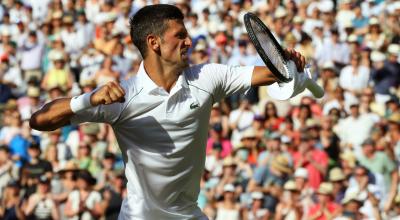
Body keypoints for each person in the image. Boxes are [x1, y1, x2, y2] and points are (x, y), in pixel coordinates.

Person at [30, 4, 306, 219]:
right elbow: (40, 120)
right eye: (180, 36)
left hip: (188, 215)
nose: (189, 42)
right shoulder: (122, 98)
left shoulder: (208, 76)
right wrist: (88, 99)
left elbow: (273, 73)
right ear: (154, 43)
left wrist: (286, 63)